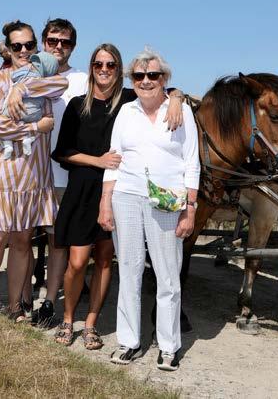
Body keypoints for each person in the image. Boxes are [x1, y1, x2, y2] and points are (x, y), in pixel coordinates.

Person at [52, 44, 184, 349]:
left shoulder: (128, 101)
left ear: (119, 69)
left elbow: (168, 87)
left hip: (119, 191)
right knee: (76, 261)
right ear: (91, 68)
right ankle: (68, 318)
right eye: (99, 64)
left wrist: (176, 100)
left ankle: (91, 324)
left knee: (104, 260)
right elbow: (62, 152)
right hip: (83, 190)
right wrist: (97, 160)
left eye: (111, 65)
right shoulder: (76, 105)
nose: (104, 70)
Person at [99, 49, 199, 371]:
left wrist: (191, 209)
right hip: (126, 196)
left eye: (153, 76)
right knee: (127, 270)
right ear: (132, 80)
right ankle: (129, 342)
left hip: (167, 201)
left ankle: (168, 346)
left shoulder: (181, 111)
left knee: (168, 275)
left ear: (164, 79)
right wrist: (105, 201)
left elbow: (192, 163)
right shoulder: (126, 112)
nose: (146, 81)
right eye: (139, 76)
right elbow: (113, 159)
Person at [0, 20, 68, 323]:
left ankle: (15, 306)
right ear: (8, 49)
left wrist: (22, 87)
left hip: (32, 171)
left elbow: (61, 84)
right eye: (17, 46)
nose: (24, 51)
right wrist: (32, 126)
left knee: (23, 240)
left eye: (29, 45)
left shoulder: (46, 77)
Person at [30, 18, 88, 326]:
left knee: (56, 241)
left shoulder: (83, 80)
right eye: (53, 41)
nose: (58, 47)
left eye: (65, 42)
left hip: (62, 174)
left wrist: (174, 95)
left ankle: (50, 300)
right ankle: (21, 299)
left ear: (73, 47)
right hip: (26, 172)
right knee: (21, 238)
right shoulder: (24, 74)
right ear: (43, 43)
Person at [0, 51, 58, 159]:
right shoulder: (46, 83)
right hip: (35, 113)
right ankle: (28, 139)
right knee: (34, 124)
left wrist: (18, 86)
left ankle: (8, 145)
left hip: (15, 109)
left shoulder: (28, 72)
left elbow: (14, 76)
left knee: (5, 119)